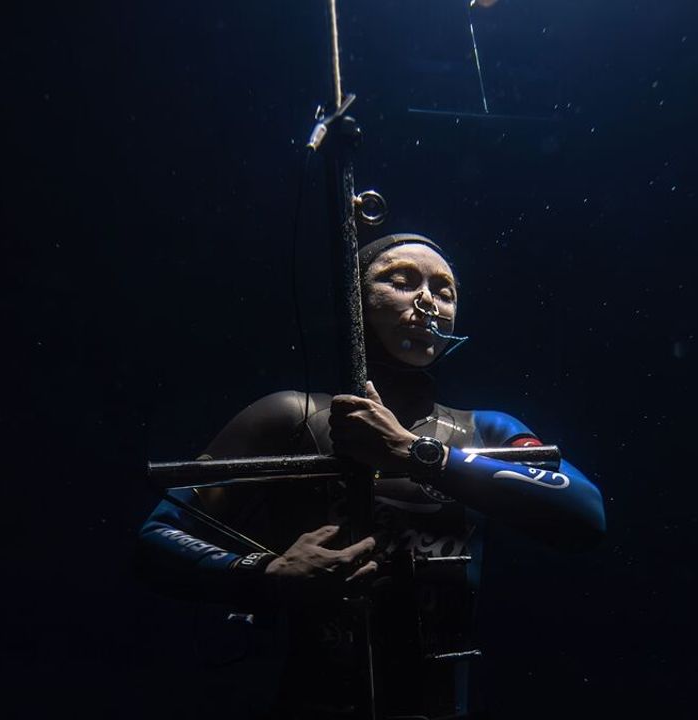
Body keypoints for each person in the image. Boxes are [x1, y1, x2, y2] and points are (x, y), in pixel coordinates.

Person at [138, 233, 606, 719]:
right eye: (401, 281)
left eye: (445, 291)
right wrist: (263, 574)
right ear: (355, 301)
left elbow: (586, 513)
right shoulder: (289, 416)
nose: (428, 300)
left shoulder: (487, 429)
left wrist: (415, 453)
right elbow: (156, 536)